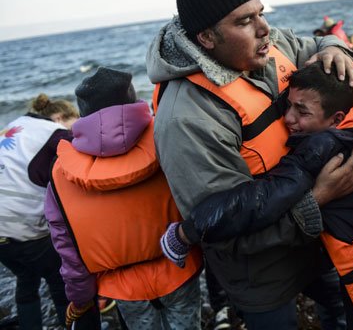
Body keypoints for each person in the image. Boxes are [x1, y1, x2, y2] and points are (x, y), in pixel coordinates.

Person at [146, 0, 353, 330]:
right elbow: (222, 229)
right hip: (260, 271)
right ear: (207, 38)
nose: (264, 28)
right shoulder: (186, 118)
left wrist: (335, 47)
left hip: (319, 239)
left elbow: (314, 45)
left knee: (342, 311)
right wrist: (318, 199)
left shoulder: (271, 45)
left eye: (261, 13)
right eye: (244, 21)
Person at [162, 62, 353, 330]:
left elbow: (263, 198)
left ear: (336, 119)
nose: (287, 119)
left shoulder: (322, 149)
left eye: (302, 111)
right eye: (288, 106)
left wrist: (188, 231)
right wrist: (332, 46)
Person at [45, 67, 203, 329]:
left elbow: (68, 248)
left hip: (122, 287)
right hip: (179, 267)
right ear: (131, 99)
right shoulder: (168, 136)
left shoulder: (60, 173)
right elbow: (200, 195)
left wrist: (81, 298)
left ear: (84, 113)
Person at [0, 94, 78, 329]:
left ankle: (29, 325)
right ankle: (71, 324)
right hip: (20, 226)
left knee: (26, 277)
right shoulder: (54, 133)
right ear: (59, 117)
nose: (74, 133)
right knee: (58, 277)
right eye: (74, 124)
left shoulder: (15, 125)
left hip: (2, 234)